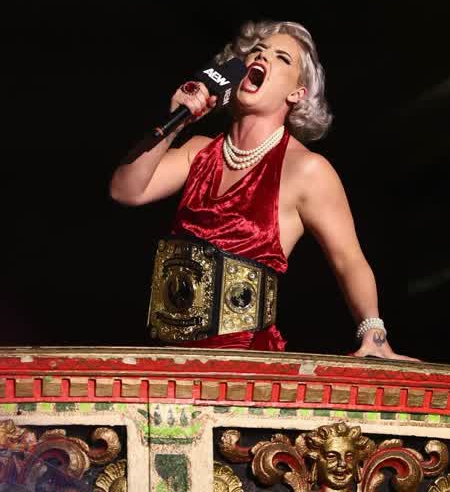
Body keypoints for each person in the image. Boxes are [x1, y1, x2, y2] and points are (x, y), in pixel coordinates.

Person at [110, 19, 417, 361]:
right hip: (171, 358)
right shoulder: (198, 151)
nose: (263, 56)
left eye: (281, 58)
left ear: (297, 93)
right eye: (257, 51)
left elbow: (349, 259)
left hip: (247, 365)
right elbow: (126, 190)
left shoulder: (306, 170)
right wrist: (176, 121)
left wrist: (373, 334)